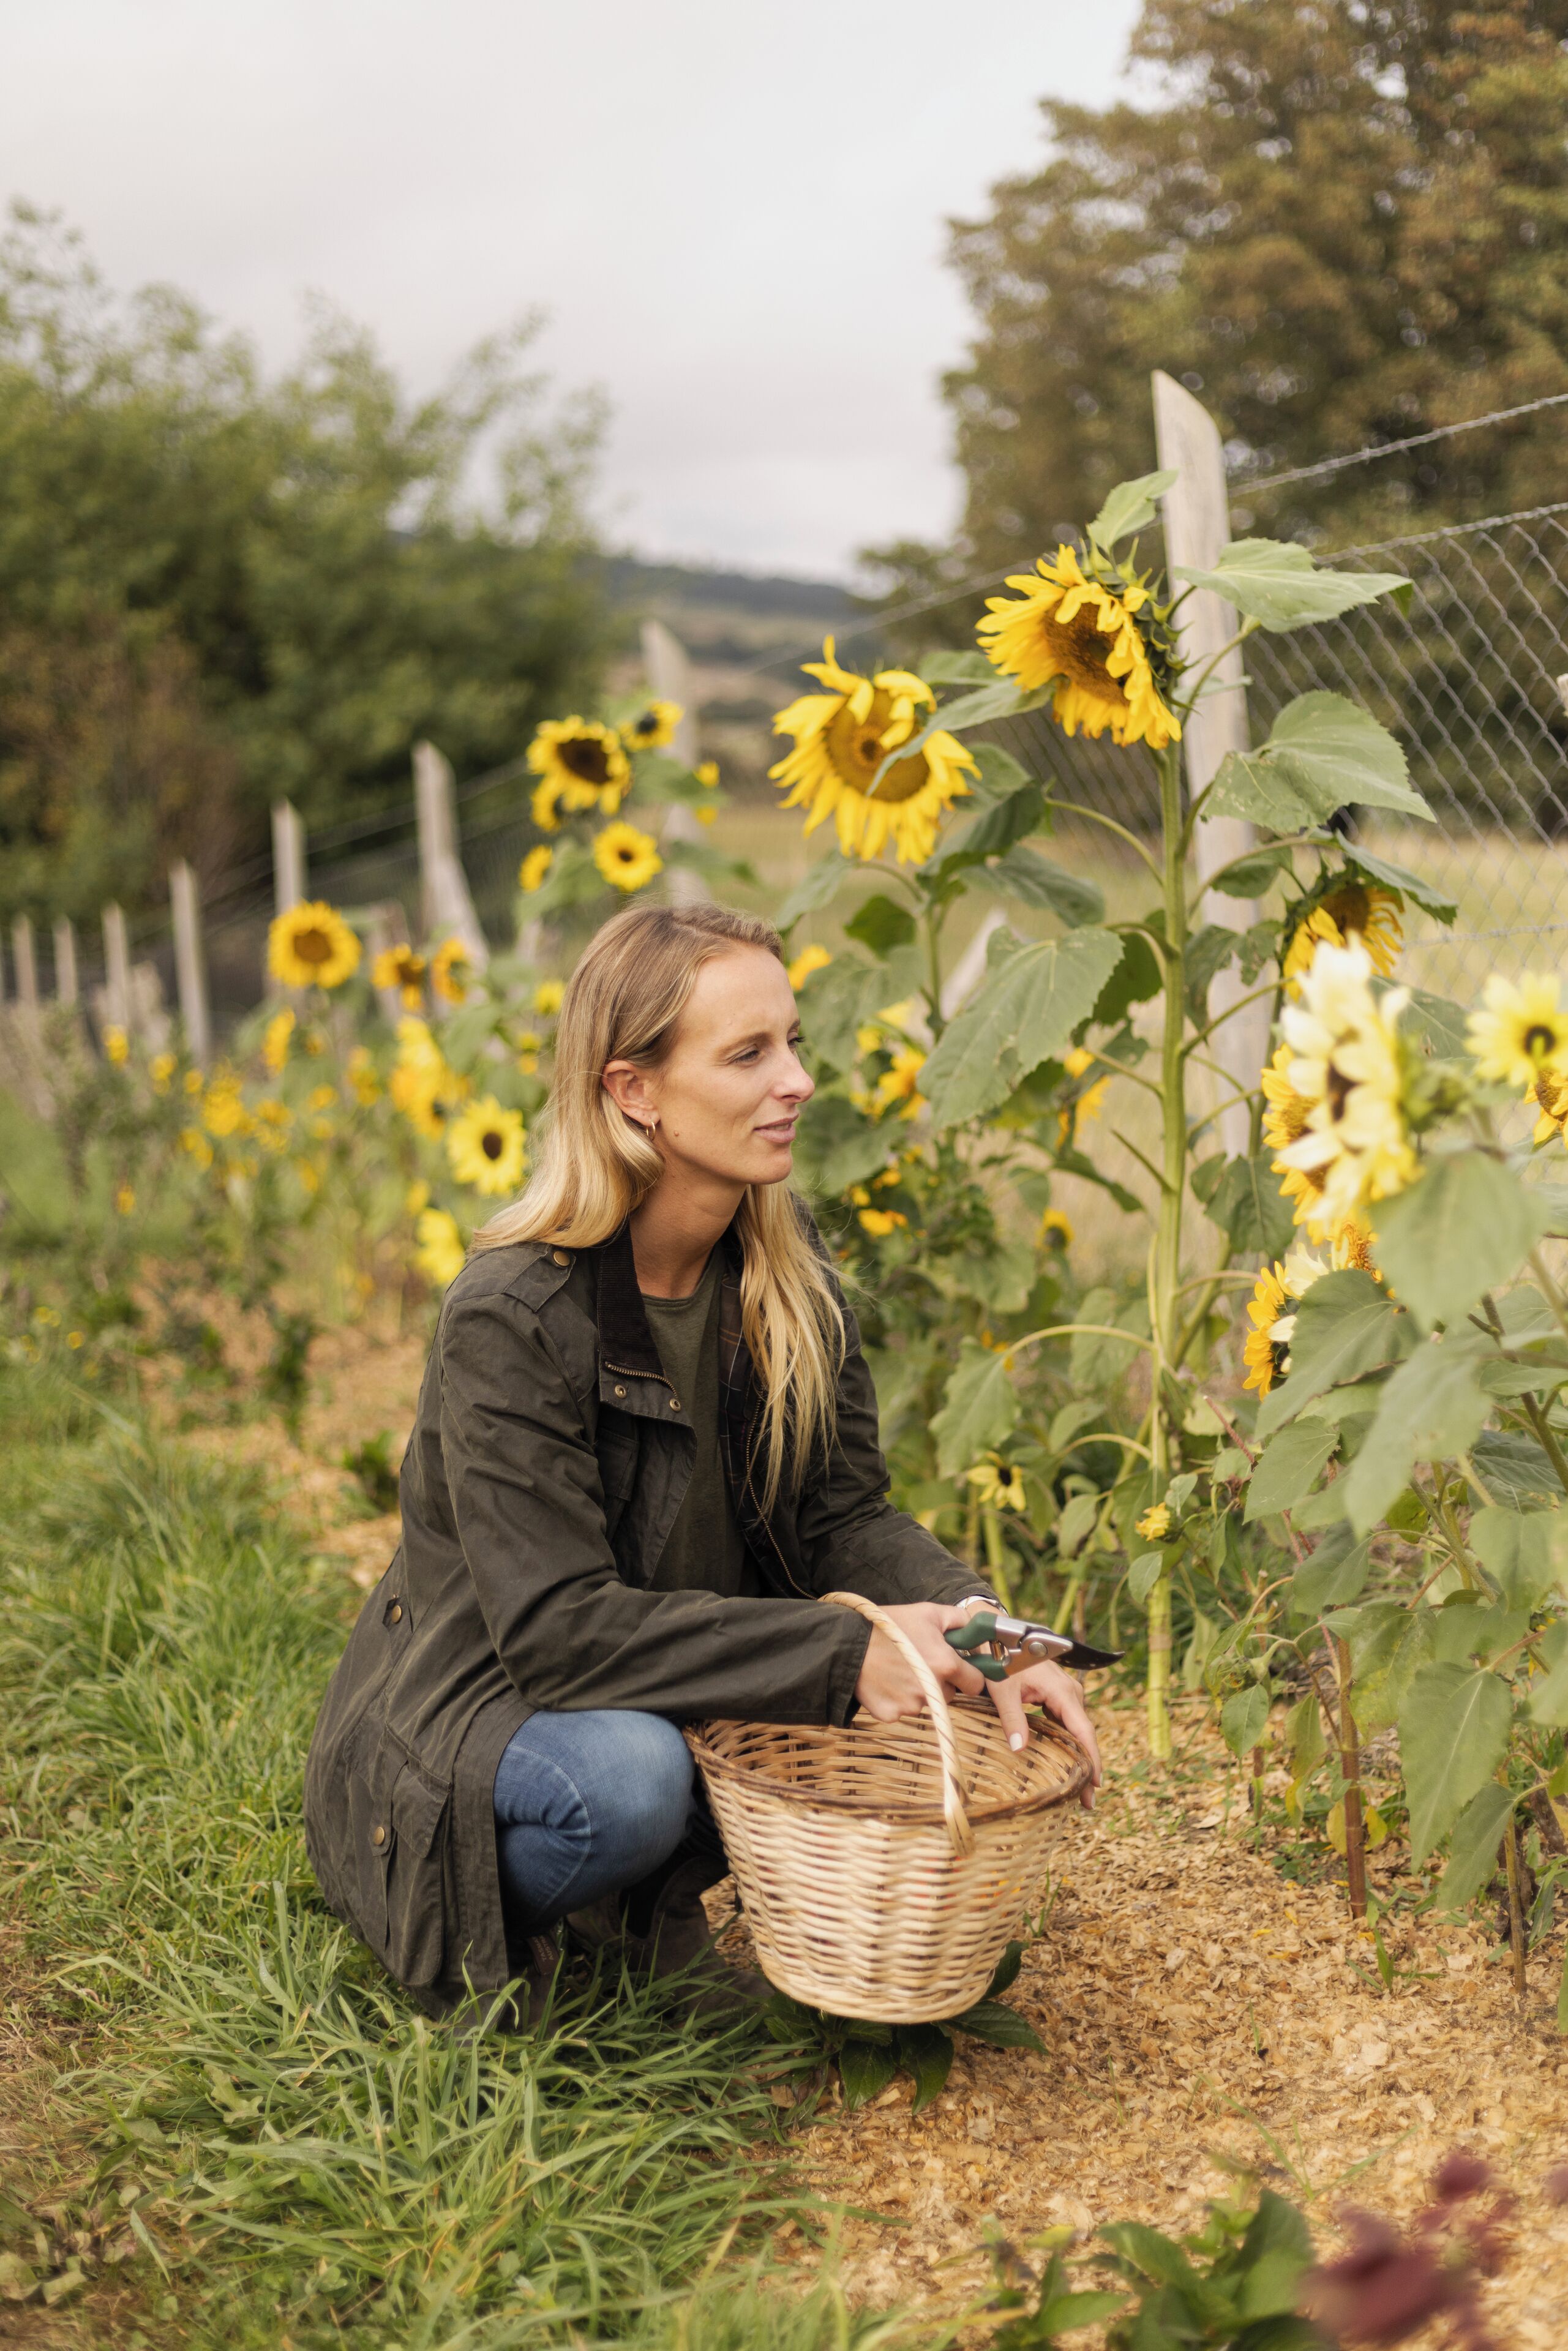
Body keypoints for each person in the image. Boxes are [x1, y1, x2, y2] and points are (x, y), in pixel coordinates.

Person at [304, 902, 1101, 2022]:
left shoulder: (784, 1269)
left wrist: (990, 1635)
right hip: (486, 1704)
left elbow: (843, 1518)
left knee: (869, 1688)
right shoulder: (512, 1317)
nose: (797, 1082)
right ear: (634, 1090)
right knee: (630, 1782)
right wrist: (845, 1656)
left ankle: (644, 1912)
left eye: (792, 1044)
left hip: (656, 1671)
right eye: (747, 1054)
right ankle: (508, 1917)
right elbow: (558, 1633)